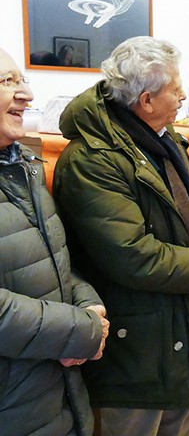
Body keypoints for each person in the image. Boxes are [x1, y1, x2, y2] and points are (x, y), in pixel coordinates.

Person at [52, 36, 189, 436]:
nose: (184, 96)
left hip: (172, 334)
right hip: (134, 348)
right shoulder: (92, 159)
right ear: (146, 100)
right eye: (176, 89)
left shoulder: (163, 140)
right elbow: (132, 254)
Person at [0, 47, 109, 435]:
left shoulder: (22, 166)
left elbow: (54, 260)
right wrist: (81, 330)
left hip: (54, 391)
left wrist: (89, 304)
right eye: (7, 81)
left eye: (22, 80)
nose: (26, 94)